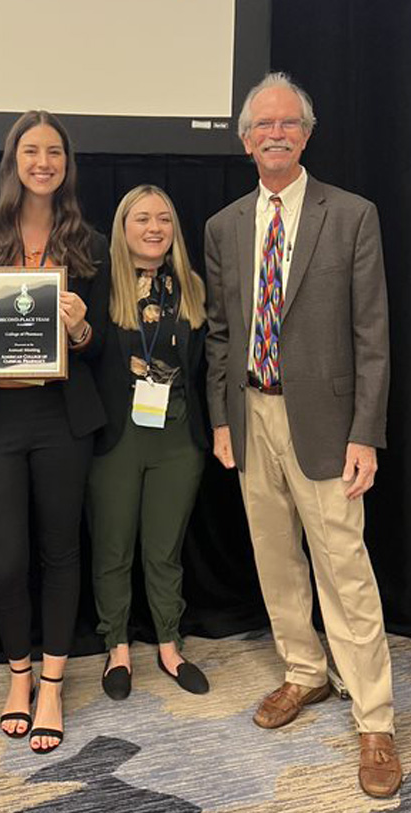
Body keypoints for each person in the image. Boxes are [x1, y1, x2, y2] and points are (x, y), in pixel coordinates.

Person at [204, 72, 401, 798]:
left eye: (290, 124)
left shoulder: (351, 215)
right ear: (246, 140)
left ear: (307, 135)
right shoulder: (224, 226)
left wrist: (366, 433)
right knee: (276, 556)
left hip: (326, 422)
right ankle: (304, 672)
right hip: (251, 415)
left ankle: (375, 717)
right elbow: (222, 335)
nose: (277, 134)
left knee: (343, 565)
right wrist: (221, 418)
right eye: (264, 125)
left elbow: (372, 336)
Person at [0, 110, 109, 753]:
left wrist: (78, 330)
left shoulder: (89, 242)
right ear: (12, 161)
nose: (42, 161)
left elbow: (103, 342)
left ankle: (51, 682)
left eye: (54, 151)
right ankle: (16, 675)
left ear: (67, 163)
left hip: (61, 418)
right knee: (6, 558)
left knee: (60, 552)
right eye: (30, 150)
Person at [88, 185, 209, 700]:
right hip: (116, 438)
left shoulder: (193, 288)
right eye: (142, 218)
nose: (154, 228)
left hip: (179, 437)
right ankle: (116, 646)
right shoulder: (98, 288)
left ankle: (168, 643)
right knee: (113, 548)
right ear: (122, 227)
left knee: (164, 550)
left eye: (164, 218)